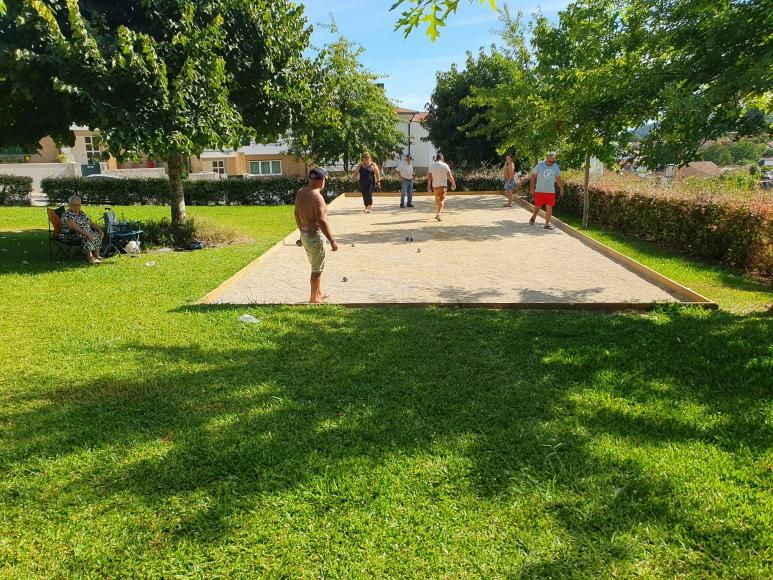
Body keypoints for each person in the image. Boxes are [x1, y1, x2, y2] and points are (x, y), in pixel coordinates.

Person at [295, 167, 338, 303]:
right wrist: (332, 241)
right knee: (317, 269)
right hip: (314, 237)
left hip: (306, 235)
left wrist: (301, 232)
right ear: (322, 181)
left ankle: (319, 293)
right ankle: (314, 298)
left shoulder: (301, 192)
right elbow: (322, 221)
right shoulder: (317, 197)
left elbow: (296, 213)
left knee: (315, 265)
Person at [60, 195, 104, 264]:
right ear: (69, 205)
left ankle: (97, 255)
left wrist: (100, 230)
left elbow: (91, 223)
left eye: (78, 205)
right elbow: (75, 227)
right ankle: (89, 256)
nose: (77, 207)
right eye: (74, 205)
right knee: (86, 235)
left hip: (83, 233)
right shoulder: (67, 215)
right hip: (70, 234)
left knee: (97, 233)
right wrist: (88, 234)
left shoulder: (82, 213)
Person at [529, 152, 565, 230]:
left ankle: (547, 224)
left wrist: (561, 188)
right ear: (546, 159)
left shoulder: (556, 167)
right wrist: (532, 188)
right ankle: (534, 216)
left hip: (551, 191)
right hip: (540, 190)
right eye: (549, 161)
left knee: (549, 207)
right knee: (538, 206)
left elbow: (558, 178)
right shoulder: (539, 166)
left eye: (553, 161)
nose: (551, 163)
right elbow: (533, 177)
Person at [427, 153, 456, 221]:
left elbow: (429, 178)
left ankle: (438, 213)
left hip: (435, 186)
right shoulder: (445, 165)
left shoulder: (431, 166)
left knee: (437, 201)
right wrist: (453, 183)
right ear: (442, 158)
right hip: (443, 186)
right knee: (442, 200)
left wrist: (428, 187)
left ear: (436, 158)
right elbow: (449, 176)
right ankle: (439, 214)